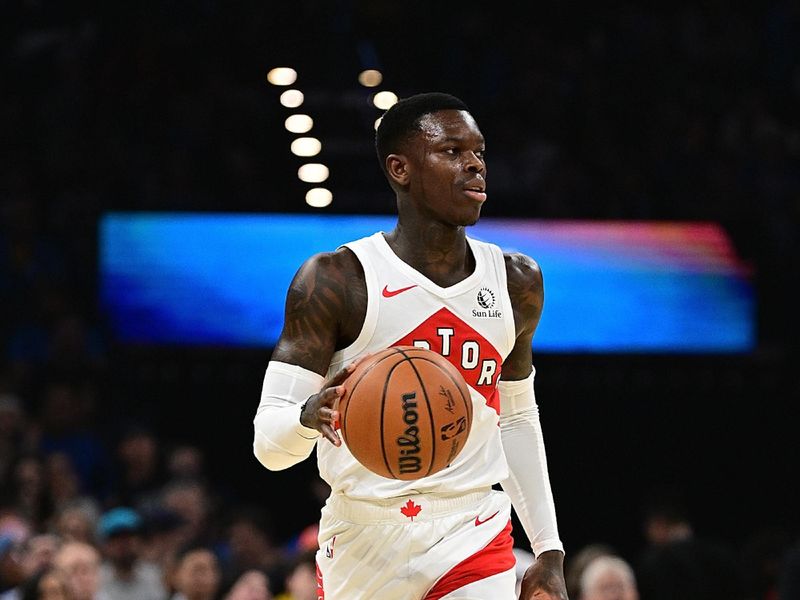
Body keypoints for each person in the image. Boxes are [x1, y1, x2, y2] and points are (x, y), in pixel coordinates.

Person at [253, 92, 567, 599]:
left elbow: (516, 419)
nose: (474, 165)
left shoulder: (516, 280)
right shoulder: (337, 280)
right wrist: (306, 416)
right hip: (363, 534)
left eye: (479, 152)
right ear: (399, 168)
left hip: (472, 527)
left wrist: (548, 549)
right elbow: (268, 447)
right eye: (452, 152)